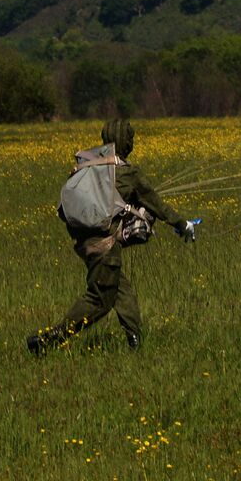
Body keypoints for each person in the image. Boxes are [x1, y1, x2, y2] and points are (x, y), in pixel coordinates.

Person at [27, 119, 196, 354]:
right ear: (126, 142)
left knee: (120, 289)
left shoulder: (90, 166)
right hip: (105, 246)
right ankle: (48, 339)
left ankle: (135, 341)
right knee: (100, 300)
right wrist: (183, 224)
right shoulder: (128, 172)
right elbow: (158, 205)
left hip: (84, 243)